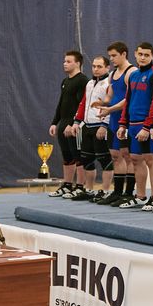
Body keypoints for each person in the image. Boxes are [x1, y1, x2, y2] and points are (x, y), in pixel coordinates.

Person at [117, 42, 153, 210]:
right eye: (140, 54)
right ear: (135, 55)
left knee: (151, 160)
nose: (143, 58)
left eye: (146, 55)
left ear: (152, 56)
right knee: (136, 160)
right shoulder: (133, 75)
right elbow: (128, 100)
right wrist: (123, 124)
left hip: (146, 126)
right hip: (132, 125)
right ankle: (140, 196)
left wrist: (147, 127)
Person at [70, 55, 113, 201]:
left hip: (100, 126)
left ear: (107, 67)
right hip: (87, 126)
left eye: (99, 66)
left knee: (105, 160)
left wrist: (104, 125)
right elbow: (84, 103)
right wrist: (76, 122)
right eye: (94, 66)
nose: (96, 69)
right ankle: (88, 189)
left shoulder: (109, 84)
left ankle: (105, 191)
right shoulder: (89, 83)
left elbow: (111, 105)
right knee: (86, 159)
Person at [95, 42, 133, 206]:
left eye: (114, 56)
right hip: (113, 120)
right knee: (115, 156)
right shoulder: (112, 74)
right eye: (110, 56)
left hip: (126, 119)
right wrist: (102, 103)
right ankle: (117, 192)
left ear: (124, 54)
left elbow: (129, 99)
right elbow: (110, 96)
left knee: (128, 157)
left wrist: (110, 109)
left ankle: (128, 193)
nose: (111, 59)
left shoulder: (131, 72)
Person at [48, 50, 88, 198]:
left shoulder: (83, 81)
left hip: (75, 125)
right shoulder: (65, 82)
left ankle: (80, 186)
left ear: (77, 63)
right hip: (63, 123)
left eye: (68, 61)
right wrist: (54, 123)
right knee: (67, 156)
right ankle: (67, 185)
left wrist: (74, 124)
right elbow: (61, 104)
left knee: (78, 156)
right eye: (64, 61)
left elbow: (82, 105)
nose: (65, 64)